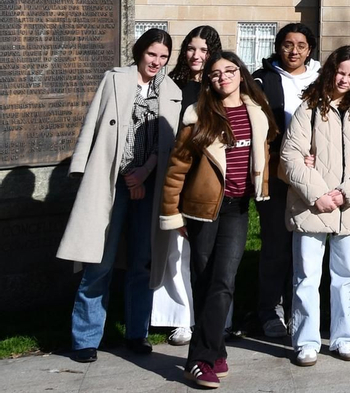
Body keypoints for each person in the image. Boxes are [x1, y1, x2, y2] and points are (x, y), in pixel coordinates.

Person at [60, 29, 183, 363]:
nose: (156, 62)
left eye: (163, 56)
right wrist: (84, 167)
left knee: (143, 261)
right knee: (98, 261)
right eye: (151, 54)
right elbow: (94, 122)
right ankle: (85, 338)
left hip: (150, 184)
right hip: (111, 181)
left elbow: (167, 143)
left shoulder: (172, 91)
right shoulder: (114, 79)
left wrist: (143, 173)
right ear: (139, 52)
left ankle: (136, 333)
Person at [160, 52, 275, 390]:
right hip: (201, 211)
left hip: (237, 209)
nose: (222, 77)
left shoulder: (257, 112)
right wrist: (171, 213)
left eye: (229, 71)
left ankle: (205, 355)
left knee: (223, 280)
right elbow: (176, 170)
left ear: (240, 74)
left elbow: (267, 149)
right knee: (206, 280)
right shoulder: (198, 117)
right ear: (208, 81)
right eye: (214, 74)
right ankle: (204, 356)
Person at [281, 46, 350, 366]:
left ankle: (343, 337)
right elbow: (291, 156)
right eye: (341, 72)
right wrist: (318, 194)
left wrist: (347, 193)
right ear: (330, 70)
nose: (345, 79)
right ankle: (306, 340)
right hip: (312, 208)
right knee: (307, 276)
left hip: (348, 210)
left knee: (345, 276)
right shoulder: (308, 108)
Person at [250, 23, 320, 339]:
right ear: (278, 47)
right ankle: (269, 310)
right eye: (288, 44)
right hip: (276, 175)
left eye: (301, 45)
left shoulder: (320, 80)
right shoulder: (262, 80)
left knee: (304, 245)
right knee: (275, 245)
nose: (294, 51)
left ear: (310, 49)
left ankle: (298, 310)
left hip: (312, 175)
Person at [152, 26, 220, 346]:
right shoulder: (171, 85)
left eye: (205, 51)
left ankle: (210, 317)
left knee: (206, 255)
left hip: (206, 181)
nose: (197, 56)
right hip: (176, 177)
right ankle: (181, 320)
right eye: (192, 49)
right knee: (176, 252)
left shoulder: (219, 87)